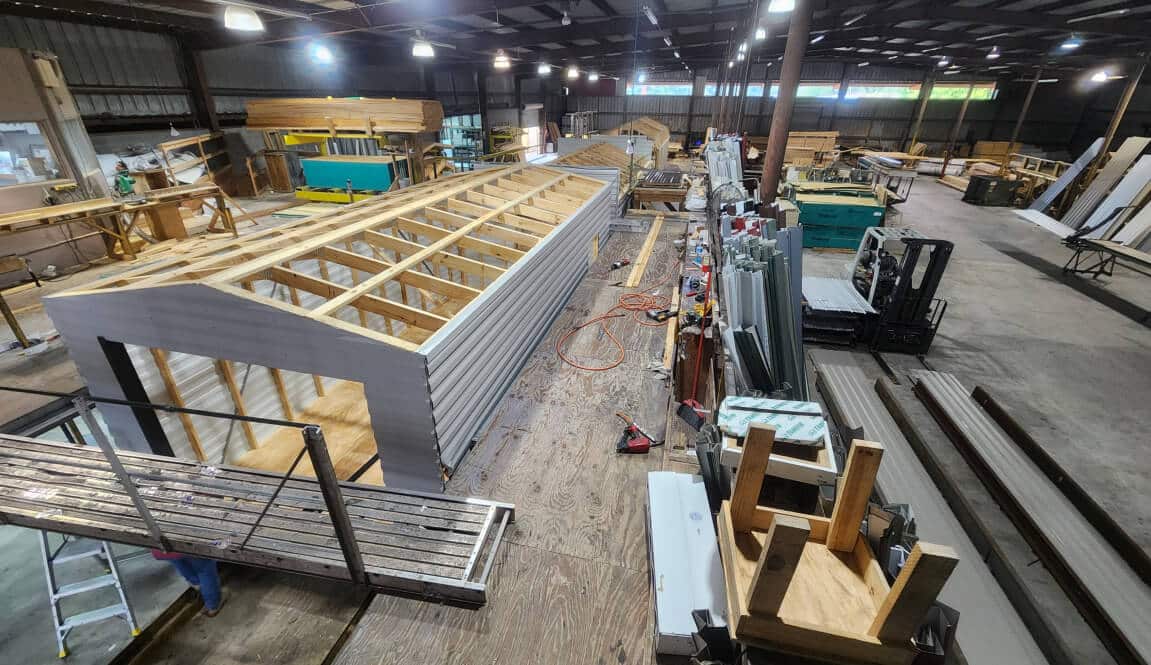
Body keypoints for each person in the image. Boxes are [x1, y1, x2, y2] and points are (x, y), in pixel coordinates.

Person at [151, 550, 224, 616]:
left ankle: (202, 590)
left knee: (184, 567)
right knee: (205, 572)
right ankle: (213, 606)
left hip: (164, 549)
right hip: (189, 547)